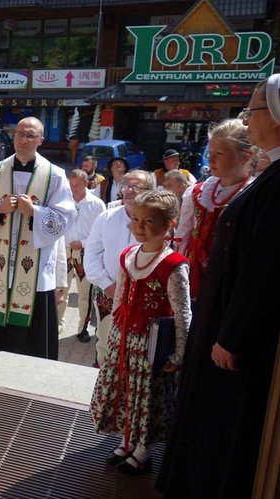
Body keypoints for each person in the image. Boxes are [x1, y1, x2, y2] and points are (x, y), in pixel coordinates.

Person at [158, 74, 280, 498]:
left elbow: (264, 267)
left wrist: (232, 334)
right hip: (211, 300)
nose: (248, 116)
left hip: (231, 318)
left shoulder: (270, 183)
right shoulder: (210, 191)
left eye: (254, 110)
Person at [90, 190, 191, 475]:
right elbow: (121, 297)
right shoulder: (128, 255)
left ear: (169, 224)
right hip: (126, 338)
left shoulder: (173, 265)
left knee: (147, 394)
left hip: (153, 343)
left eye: (149, 221)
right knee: (127, 391)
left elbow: (182, 313)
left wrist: (180, 352)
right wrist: (114, 333)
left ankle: (144, 450)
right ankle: (127, 440)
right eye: (135, 219)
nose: (139, 227)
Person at [0, 116, 75, 359]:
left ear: (40, 140)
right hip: (0, 263)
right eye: (19, 134)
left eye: (30, 136)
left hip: (35, 266)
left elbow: (66, 216)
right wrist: (0, 208)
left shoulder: (55, 175)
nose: (23, 140)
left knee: (33, 333)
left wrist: (34, 212)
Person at [173, 118, 254, 299]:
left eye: (219, 153)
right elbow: (182, 237)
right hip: (192, 278)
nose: (210, 159)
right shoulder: (197, 192)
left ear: (245, 156)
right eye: (210, 152)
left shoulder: (253, 196)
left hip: (228, 282)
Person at [84, 170, 156, 367]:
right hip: (108, 293)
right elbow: (91, 255)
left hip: (142, 296)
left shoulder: (157, 222)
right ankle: (103, 391)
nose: (130, 191)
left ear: (150, 191)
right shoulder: (106, 217)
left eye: (137, 187)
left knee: (136, 350)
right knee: (106, 345)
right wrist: (107, 285)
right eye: (127, 186)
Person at [58, 170, 106, 342]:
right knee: (60, 288)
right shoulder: (63, 200)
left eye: (77, 184)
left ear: (87, 183)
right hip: (63, 250)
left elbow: (100, 232)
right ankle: (58, 323)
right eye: (71, 184)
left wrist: (84, 243)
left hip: (86, 253)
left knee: (85, 293)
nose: (73, 188)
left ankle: (82, 328)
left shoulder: (97, 204)